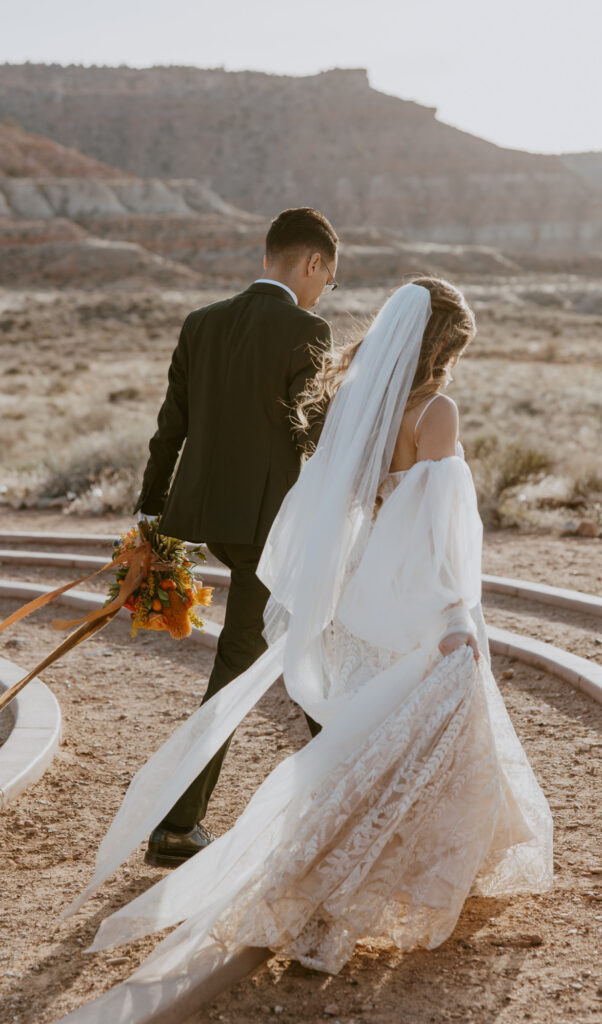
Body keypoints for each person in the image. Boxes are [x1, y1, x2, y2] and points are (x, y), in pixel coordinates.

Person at [59, 278, 553, 1023]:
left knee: (371, 737)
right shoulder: (437, 412)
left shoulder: (356, 400)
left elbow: (343, 499)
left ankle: (343, 868)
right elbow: (438, 528)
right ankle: (388, 872)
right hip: (413, 590)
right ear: (443, 346)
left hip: (356, 588)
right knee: (420, 735)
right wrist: (455, 615)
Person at [133, 207, 338, 868]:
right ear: (312, 264)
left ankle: (348, 787)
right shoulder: (307, 328)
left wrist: (150, 513)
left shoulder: (202, 322)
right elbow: (311, 433)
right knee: (246, 659)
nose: (322, 291)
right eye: (326, 278)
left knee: (297, 641)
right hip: (267, 528)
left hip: (203, 517)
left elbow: (172, 425)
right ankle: (175, 826)